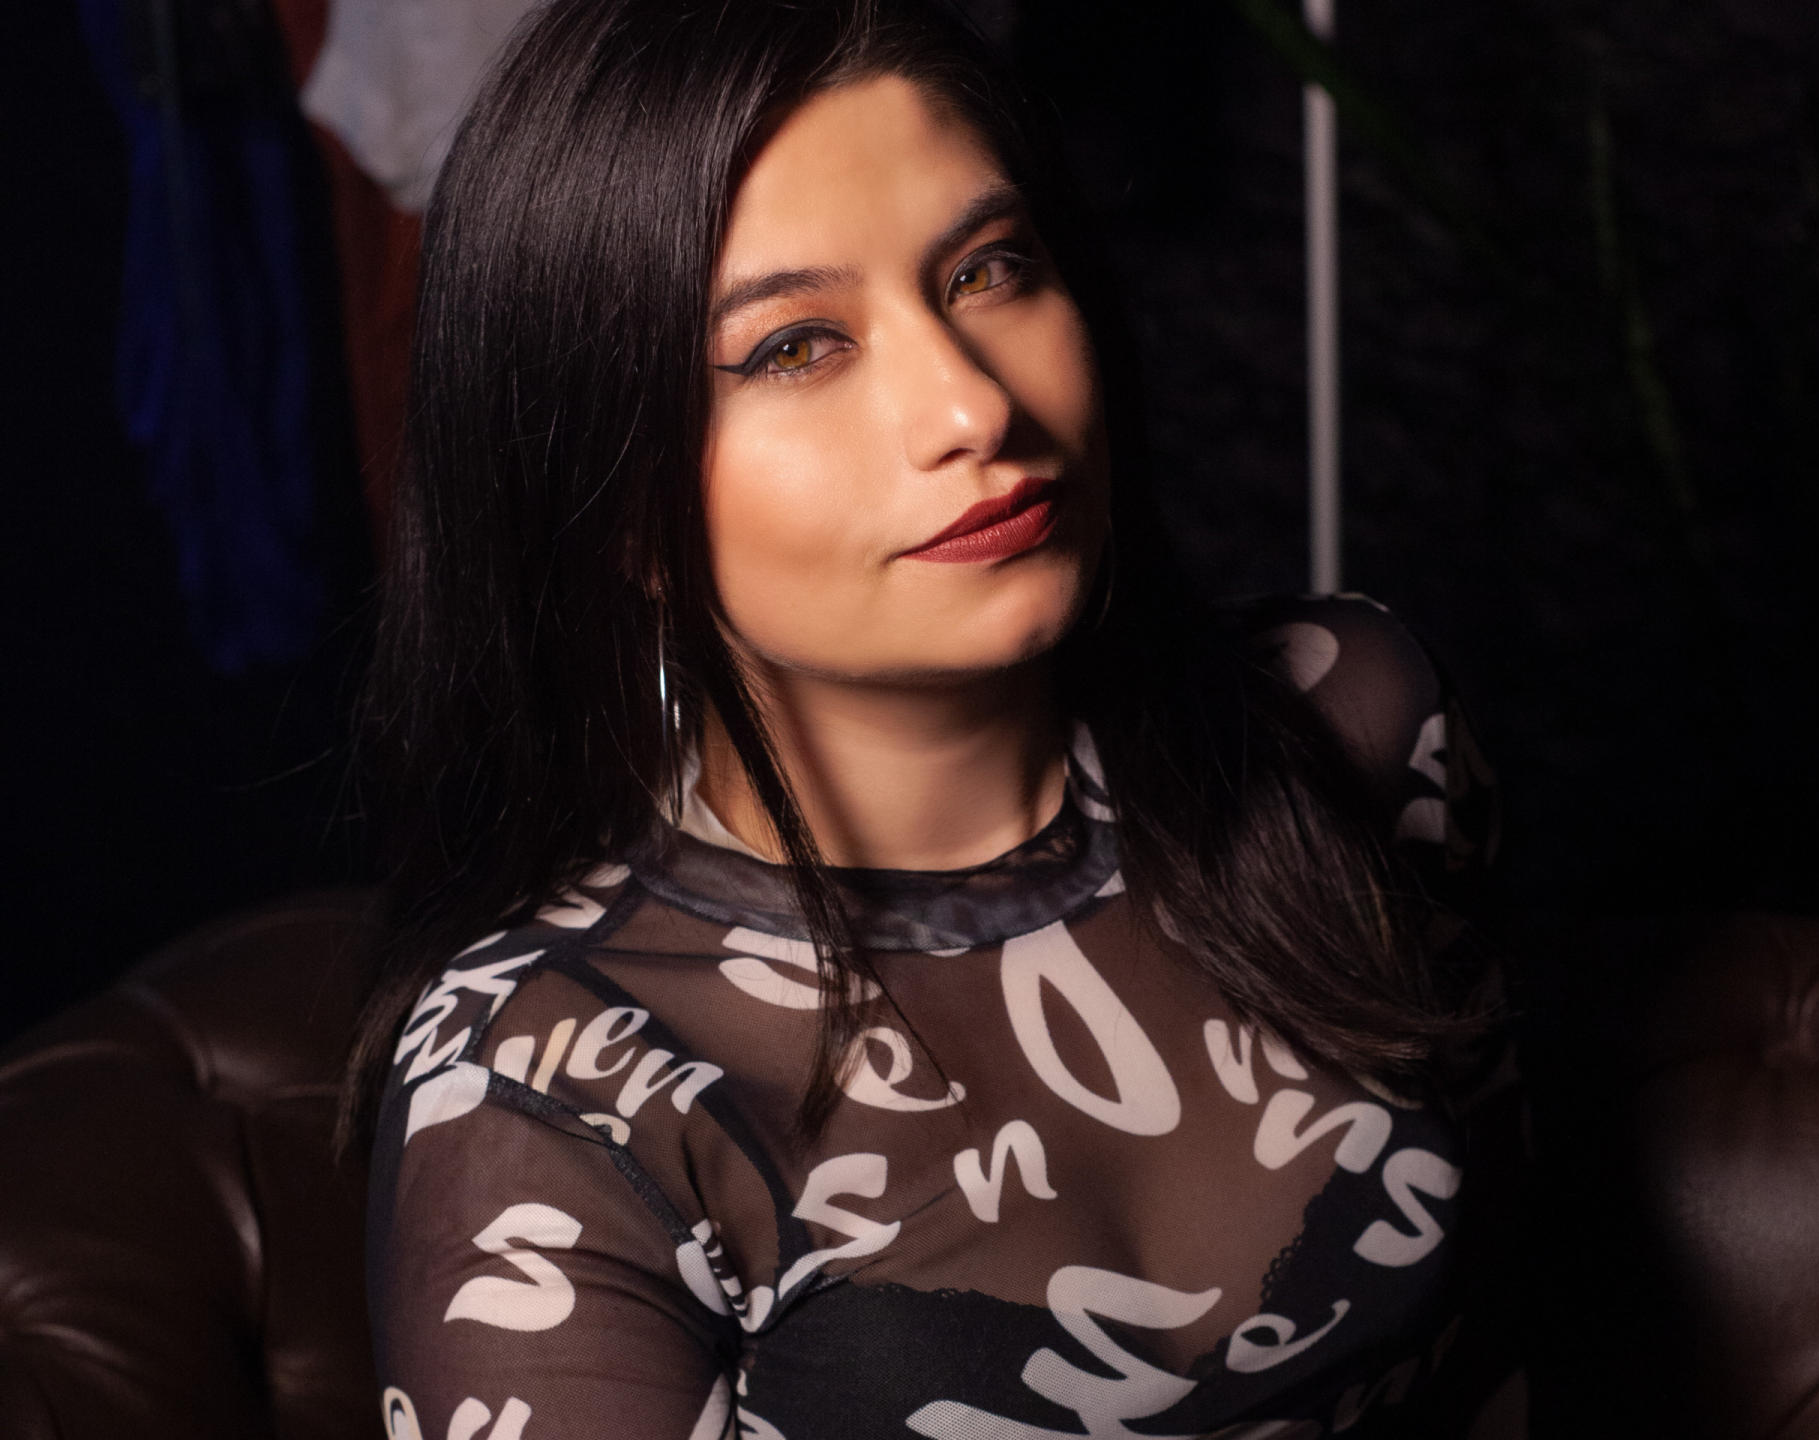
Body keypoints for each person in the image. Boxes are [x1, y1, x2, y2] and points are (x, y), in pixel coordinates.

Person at [349, 0, 1525, 1435]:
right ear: (617, 506)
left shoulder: (1351, 726)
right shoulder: (545, 1092)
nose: (971, 406)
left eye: (988, 269)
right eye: (796, 347)